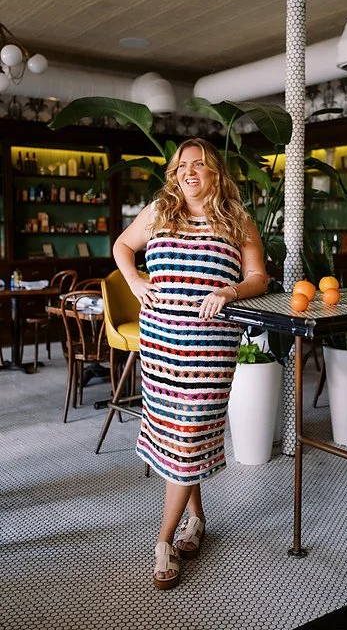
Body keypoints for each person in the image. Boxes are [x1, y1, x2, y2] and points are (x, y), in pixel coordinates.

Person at [113, 138, 268, 589]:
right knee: (176, 434)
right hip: (160, 344)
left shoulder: (237, 218)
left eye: (199, 164)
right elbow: (123, 246)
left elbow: (258, 276)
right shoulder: (159, 211)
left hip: (210, 346)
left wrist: (228, 291)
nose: (190, 172)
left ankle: (163, 541)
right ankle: (195, 518)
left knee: (189, 432)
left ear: (216, 172)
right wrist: (135, 280)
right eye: (182, 166)